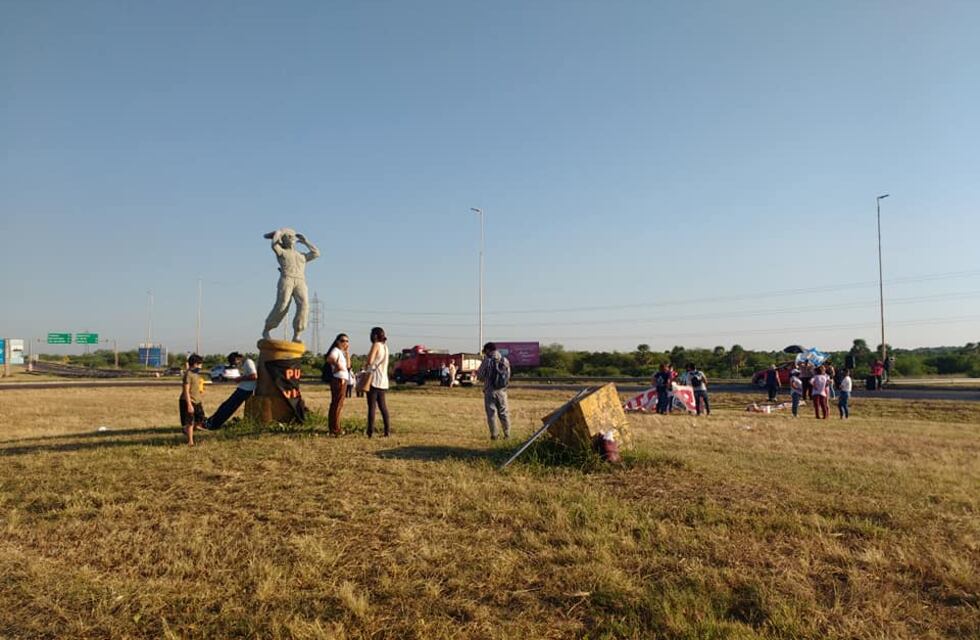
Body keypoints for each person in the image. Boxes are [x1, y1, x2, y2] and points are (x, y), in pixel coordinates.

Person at [261, 228, 320, 342]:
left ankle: (297, 333)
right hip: (287, 279)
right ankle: (267, 329)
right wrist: (279, 232)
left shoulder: (301, 255)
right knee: (283, 305)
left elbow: (316, 253)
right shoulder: (282, 252)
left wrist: (306, 242)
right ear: (283, 240)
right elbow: (274, 245)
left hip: (300, 281)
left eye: (292, 236)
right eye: (288, 237)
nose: (292, 238)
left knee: (304, 305)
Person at [205, 352, 257, 429]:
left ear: (237, 359)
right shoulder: (245, 363)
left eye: (234, 363)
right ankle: (211, 421)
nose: (235, 365)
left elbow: (254, 376)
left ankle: (214, 424)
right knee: (225, 405)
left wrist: (240, 378)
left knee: (228, 407)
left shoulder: (248, 362)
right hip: (243, 388)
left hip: (246, 389)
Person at [477, 341, 511, 439]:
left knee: (491, 414)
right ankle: (507, 434)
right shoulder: (505, 360)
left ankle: (494, 435)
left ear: (488, 350)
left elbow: (480, 375)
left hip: (490, 390)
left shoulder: (487, 361)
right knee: (504, 412)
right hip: (502, 391)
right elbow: (508, 376)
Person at [365, 326, 391, 437]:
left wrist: (366, 365)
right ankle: (387, 430)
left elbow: (370, 361)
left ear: (374, 336)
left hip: (374, 379)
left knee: (371, 407)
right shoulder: (386, 347)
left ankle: (370, 431)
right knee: (383, 407)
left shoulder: (376, 345)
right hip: (383, 381)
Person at [324, 334, 351, 435]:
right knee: (337, 404)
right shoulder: (335, 350)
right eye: (343, 340)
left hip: (342, 379)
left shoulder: (341, 352)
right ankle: (335, 429)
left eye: (347, 341)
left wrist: (347, 352)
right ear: (338, 341)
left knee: (337, 404)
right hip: (339, 379)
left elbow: (348, 366)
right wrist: (337, 365)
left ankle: (334, 427)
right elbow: (329, 359)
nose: (345, 343)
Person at [180, 354, 206, 446]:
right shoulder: (188, 375)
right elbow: (186, 390)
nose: (201, 366)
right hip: (189, 401)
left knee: (201, 419)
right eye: (200, 364)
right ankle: (190, 441)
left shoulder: (196, 374)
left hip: (197, 401)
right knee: (190, 421)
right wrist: (189, 405)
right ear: (195, 364)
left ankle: (187, 429)